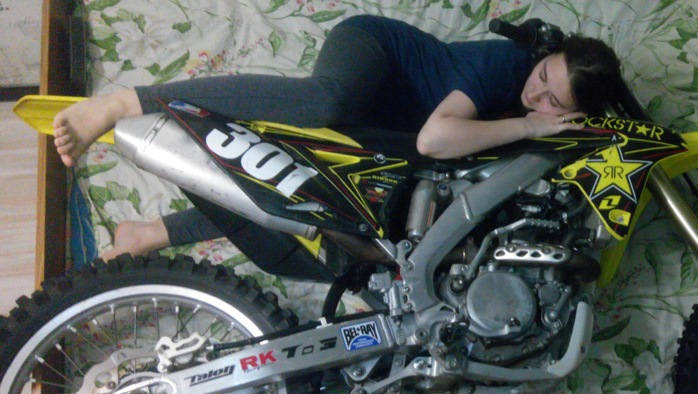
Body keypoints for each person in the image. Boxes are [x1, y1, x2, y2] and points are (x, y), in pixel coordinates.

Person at [53, 14, 621, 260]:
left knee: (311, 201)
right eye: (544, 77)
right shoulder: (507, 64)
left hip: (379, 137)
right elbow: (435, 138)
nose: (536, 94)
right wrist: (530, 124)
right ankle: (125, 102)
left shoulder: (545, 124)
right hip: (374, 59)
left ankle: (151, 234)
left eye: (554, 102)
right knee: (322, 103)